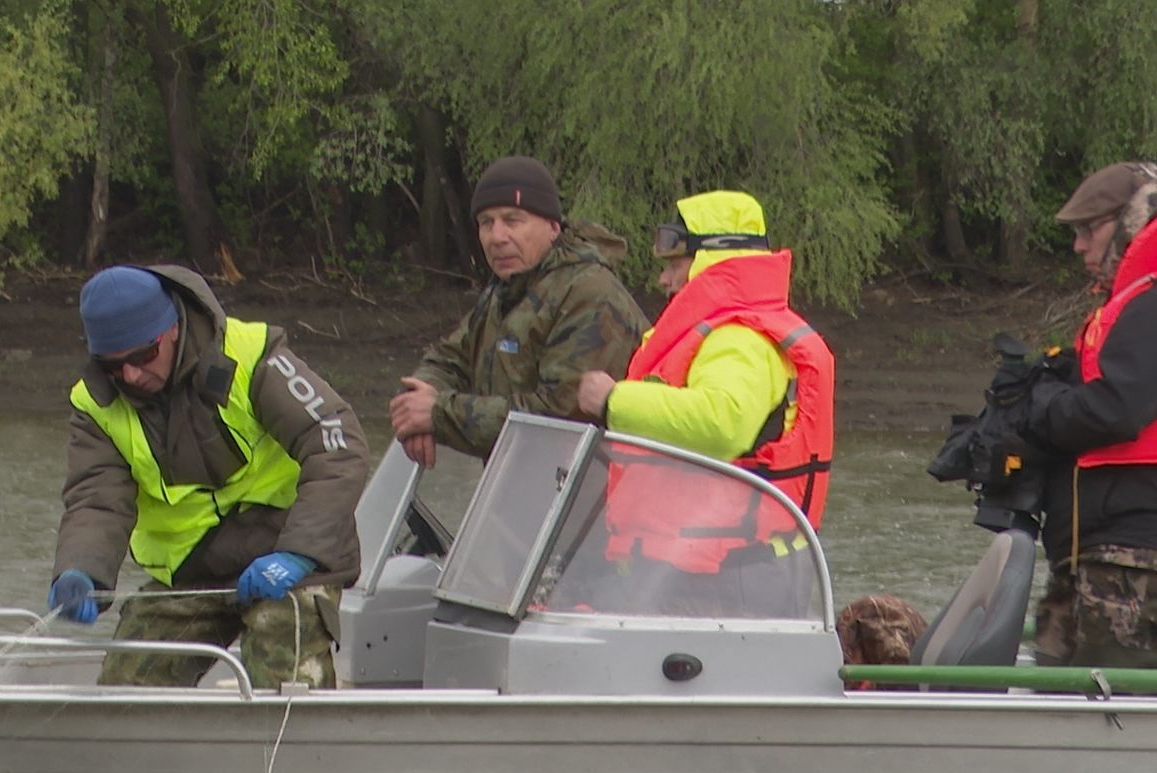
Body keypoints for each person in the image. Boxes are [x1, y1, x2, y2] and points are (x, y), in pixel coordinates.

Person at [47, 264, 369, 689]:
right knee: (126, 685)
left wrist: (299, 553)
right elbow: (96, 500)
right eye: (112, 365)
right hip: (194, 568)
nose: (130, 376)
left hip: (287, 556)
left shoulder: (251, 357)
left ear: (173, 328)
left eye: (142, 356)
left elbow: (338, 444)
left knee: (283, 661)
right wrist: (80, 570)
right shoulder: (95, 404)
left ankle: (302, 747)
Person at [572, 190, 835, 616]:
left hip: (732, 574)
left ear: (711, 262)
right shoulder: (721, 333)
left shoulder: (740, 339)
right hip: (701, 567)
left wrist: (612, 402)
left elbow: (722, 423)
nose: (664, 279)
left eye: (675, 264)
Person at [388, 155, 647, 467]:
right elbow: (449, 359)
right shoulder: (505, 292)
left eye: (513, 221)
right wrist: (416, 403)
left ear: (552, 227)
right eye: (487, 223)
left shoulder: (590, 295)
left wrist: (437, 415)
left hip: (586, 499)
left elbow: (558, 417)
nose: (497, 237)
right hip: (520, 495)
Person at [1024, 161, 1157, 667]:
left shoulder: (1150, 302)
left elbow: (1119, 410)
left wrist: (1043, 407)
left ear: (1129, 223)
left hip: (1131, 560)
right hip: (1099, 552)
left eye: (1089, 229)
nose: (1078, 245)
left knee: (1108, 717)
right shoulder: (1130, 302)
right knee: (1064, 710)